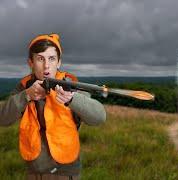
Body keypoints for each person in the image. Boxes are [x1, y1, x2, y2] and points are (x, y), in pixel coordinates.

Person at [0, 33, 107, 180]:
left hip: (66, 172)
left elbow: (99, 117)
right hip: (34, 172)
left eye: (51, 58)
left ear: (59, 62)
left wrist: (72, 99)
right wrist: (27, 96)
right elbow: (3, 119)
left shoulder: (70, 85)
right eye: (40, 59)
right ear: (31, 63)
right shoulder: (24, 87)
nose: (46, 65)